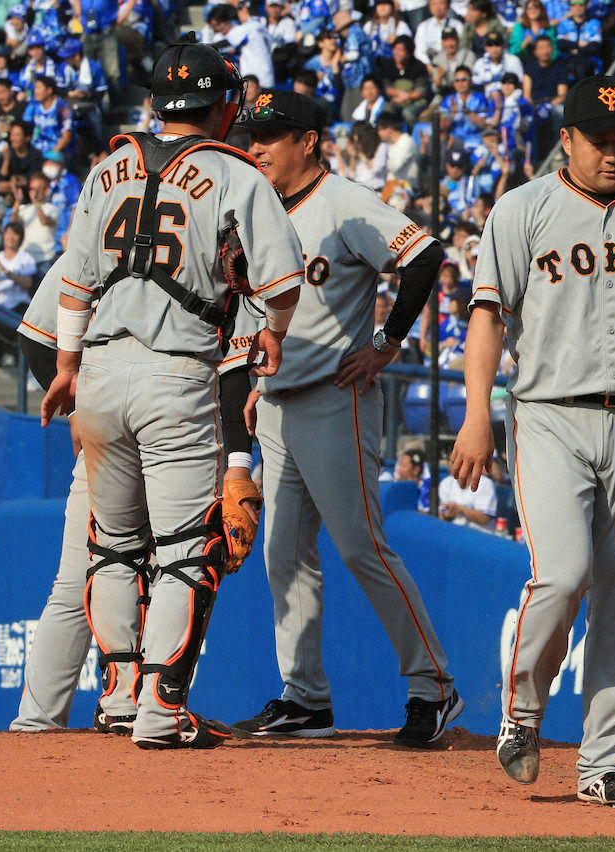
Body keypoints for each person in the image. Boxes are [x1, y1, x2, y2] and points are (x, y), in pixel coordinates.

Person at [450, 76, 615, 807]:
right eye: (599, 138)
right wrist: (476, 414)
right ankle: (522, 715)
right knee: (560, 575)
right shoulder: (522, 210)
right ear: (566, 138)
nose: (613, 151)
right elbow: (488, 319)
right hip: (547, 413)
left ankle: (604, 764)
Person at [39, 40, 305, 750]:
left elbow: (74, 284)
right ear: (225, 107)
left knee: (113, 545)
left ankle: (121, 695)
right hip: (175, 370)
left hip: (96, 367)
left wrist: (67, 366)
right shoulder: (235, 172)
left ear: (155, 104)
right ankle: (161, 708)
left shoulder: (107, 166)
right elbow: (281, 286)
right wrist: (273, 331)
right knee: (188, 548)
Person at [235, 90, 462, 747]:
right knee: (283, 555)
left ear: (308, 141)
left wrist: (388, 342)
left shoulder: (345, 202)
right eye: (254, 136)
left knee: (362, 547)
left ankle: (434, 687)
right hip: (278, 401)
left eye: (271, 136)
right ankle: (305, 699)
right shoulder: (261, 211)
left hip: (338, 397)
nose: (257, 147)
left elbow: (424, 256)